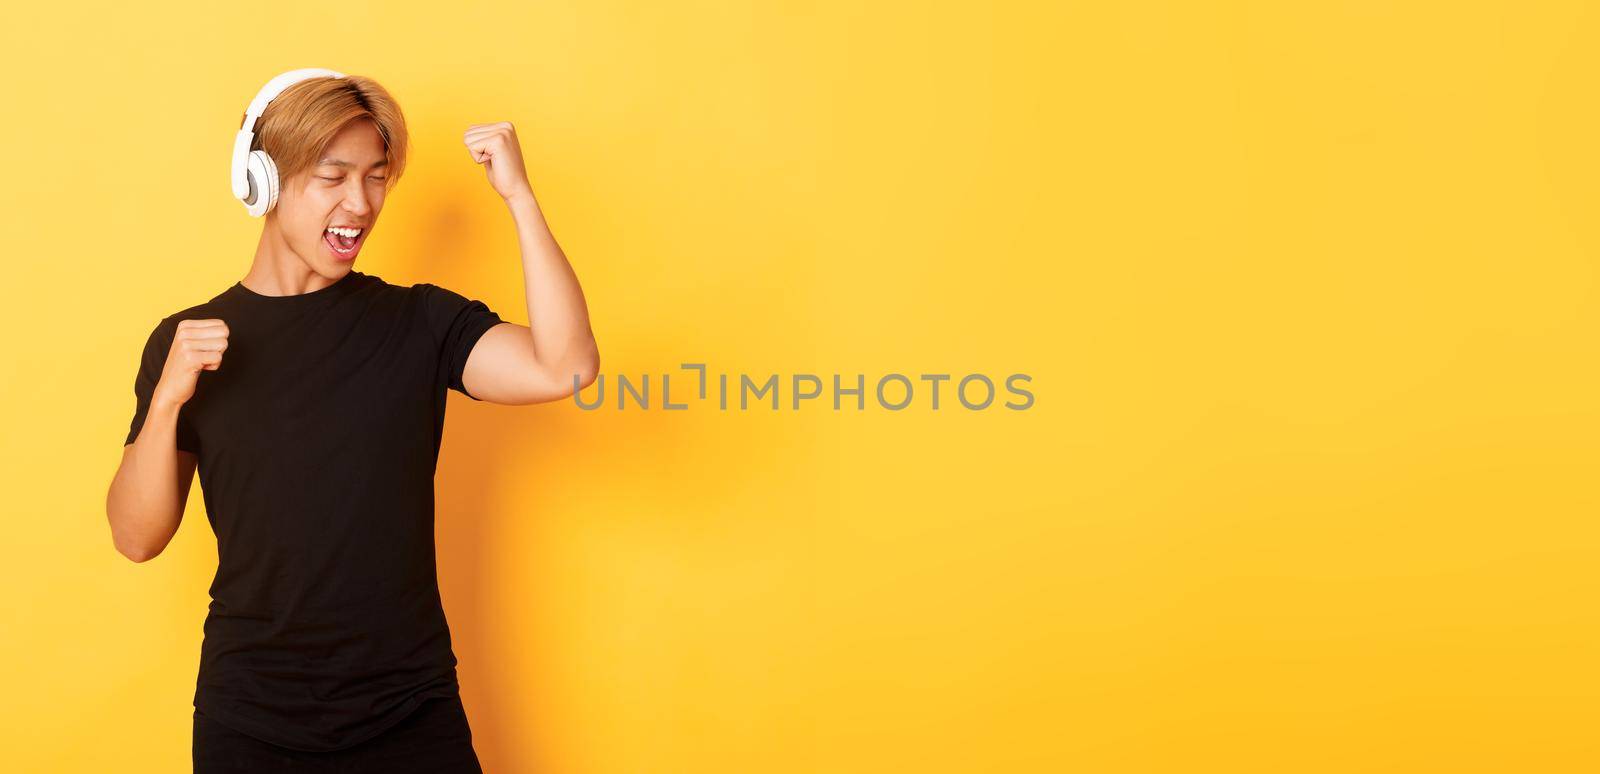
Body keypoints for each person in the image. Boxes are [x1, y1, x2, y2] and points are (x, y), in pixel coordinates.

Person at [103, 70, 600, 772]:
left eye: (375, 178)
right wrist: (166, 402)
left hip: (409, 711)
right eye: (332, 176)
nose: (360, 204)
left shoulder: (419, 323)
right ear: (262, 181)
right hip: (251, 720)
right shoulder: (186, 340)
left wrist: (519, 197)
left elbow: (566, 367)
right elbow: (136, 536)